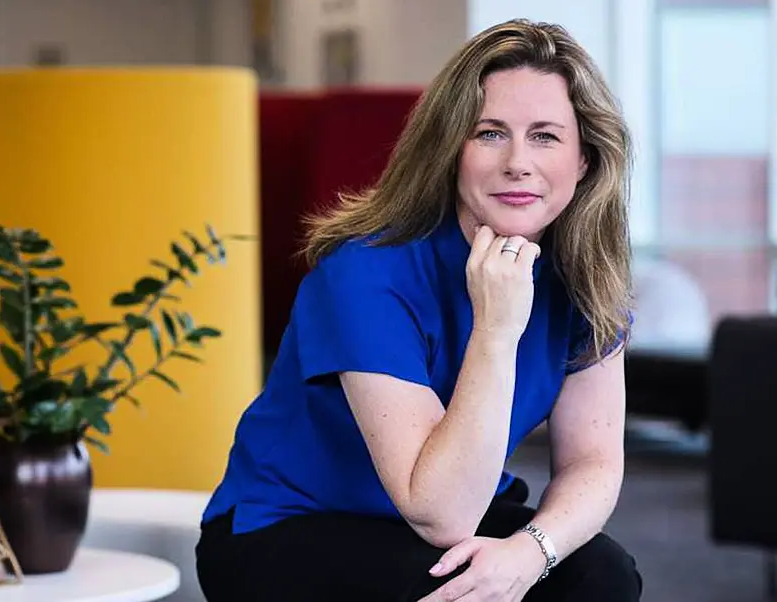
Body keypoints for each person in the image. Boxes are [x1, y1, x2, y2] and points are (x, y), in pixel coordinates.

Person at [196, 18, 640, 602]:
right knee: (454, 595)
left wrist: (529, 554)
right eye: (489, 133)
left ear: (584, 160)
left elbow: (593, 463)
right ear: (448, 149)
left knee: (601, 576)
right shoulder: (364, 272)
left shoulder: (584, 274)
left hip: (456, 502)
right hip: (290, 526)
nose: (516, 162)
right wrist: (497, 328)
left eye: (545, 136)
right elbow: (441, 515)